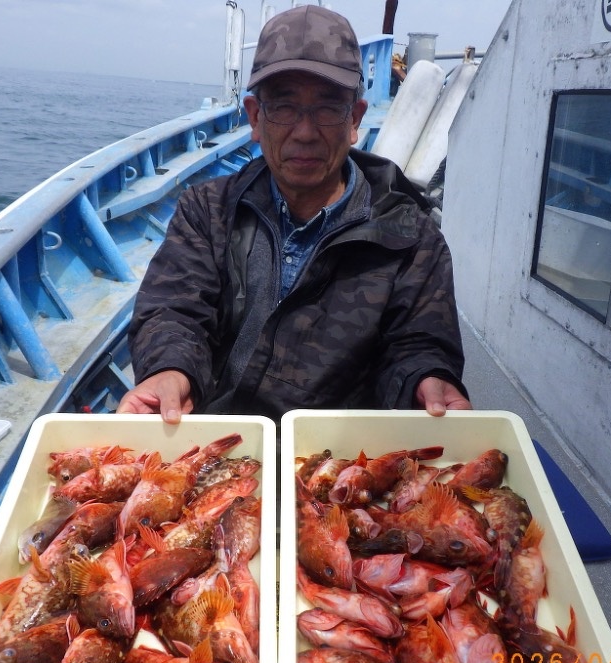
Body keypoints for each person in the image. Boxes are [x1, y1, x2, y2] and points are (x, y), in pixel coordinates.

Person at [117, 5, 470, 424]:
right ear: (255, 117)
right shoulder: (207, 211)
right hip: (217, 442)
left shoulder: (412, 237)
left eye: (328, 109)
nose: (304, 132)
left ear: (354, 120)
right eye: (284, 108)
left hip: (337, 455)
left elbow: (418, 343)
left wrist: (425, 378)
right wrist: (169, 370)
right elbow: (174, 311)